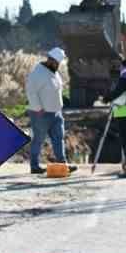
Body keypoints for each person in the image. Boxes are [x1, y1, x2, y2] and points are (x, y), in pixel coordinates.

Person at [25, 46, 75, 174]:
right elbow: (31, 92)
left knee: (59, 139)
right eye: (57, 63)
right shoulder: (37, 73)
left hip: (56, 113)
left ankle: (62, 164)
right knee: (38, 139)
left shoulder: (54, 72)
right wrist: (38, 108)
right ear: (51, 60)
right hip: (41, 113)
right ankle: (34, 166)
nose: (58, 66)